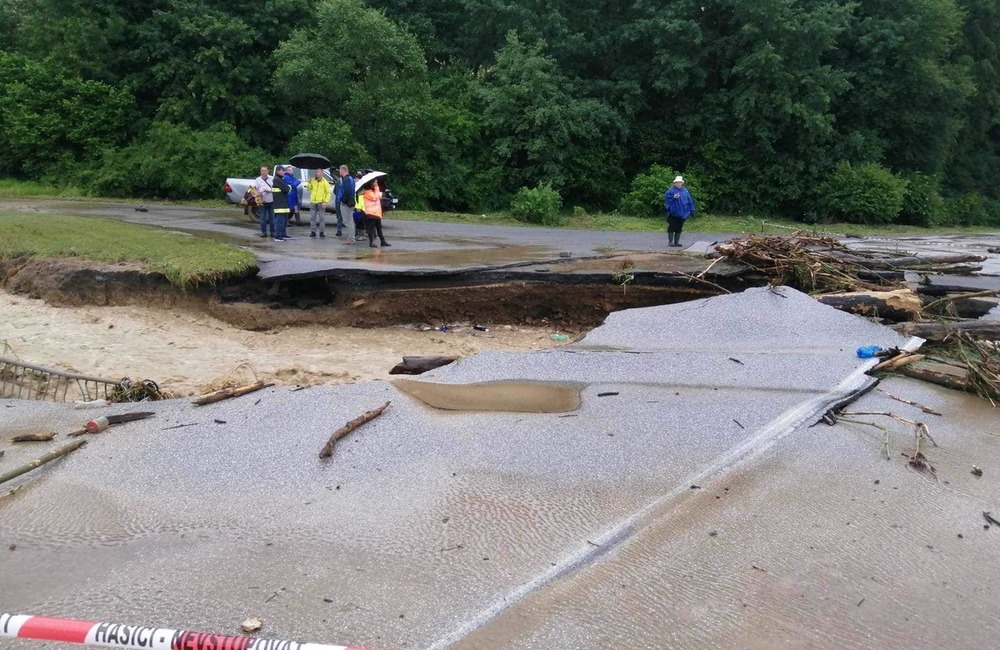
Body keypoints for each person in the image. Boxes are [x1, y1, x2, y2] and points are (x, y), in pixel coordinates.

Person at [664, 175, 696, 247]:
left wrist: (691, 209)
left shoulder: (685, 191)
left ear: (682, 183)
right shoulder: (670, 191)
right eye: (677, 182)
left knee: (679, 227)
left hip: (683, 213)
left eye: (679, 182)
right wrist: (673, 197)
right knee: (671, 226)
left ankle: (676, 242)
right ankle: (670, 242)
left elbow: (689, 200)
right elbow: (667, 199)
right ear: (674, 183)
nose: (678, 184)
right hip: (673, 213)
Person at [362, 179, 390, 248]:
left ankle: (383, 241)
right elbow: (374, 198)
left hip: (376, 213)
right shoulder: (367, 191)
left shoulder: (373, 191)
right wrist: (377, 188)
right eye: (375, 182)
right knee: (371, 228)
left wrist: (377, 190)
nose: (376, 184)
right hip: (371, 213)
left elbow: (378, 196)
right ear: (371, 183)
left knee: (379, 228)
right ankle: (371, 242)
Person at [306, 168, 331, 238]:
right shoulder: (313, 180)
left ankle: (321, 232)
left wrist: (326, 202)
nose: (316, 173)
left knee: (322, 218)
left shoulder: (325, 182)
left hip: (321, 202)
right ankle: (313, 231)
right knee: (312, 217)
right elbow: (308, 189)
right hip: (313, 202)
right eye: (316, 172)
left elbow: (328, 193)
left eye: (318, 172)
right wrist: (309, 183)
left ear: (322, 174)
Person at [251, 166, 275, 238]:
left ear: (268, 171)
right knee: (262, 218)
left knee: (272, 217)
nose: (263, 172)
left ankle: (272, 232)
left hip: (271, 200)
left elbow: (275, 189)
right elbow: (254, 189)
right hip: (262, 201)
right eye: (262, 170)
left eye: (265, 170)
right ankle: (263, 232)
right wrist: (257, 193)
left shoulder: (272, 179)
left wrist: (267, 189)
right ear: (260, 172)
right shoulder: (258, 179)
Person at [336, 165, 356, 244]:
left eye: (340, 170)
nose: (339, 172)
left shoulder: (346, 179)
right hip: (351, 202)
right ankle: (351, 237)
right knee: (350, 220)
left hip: (346, 203)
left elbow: (347, 191)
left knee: (347, 221)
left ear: (343, 170)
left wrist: (343, 200)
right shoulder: (351, 178)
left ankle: (351, 239)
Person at [271, 165, 292, 241]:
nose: (284, 172)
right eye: (282, 170)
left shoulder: (280, 179)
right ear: (278, 171)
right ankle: (278, 236)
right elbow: (286, 189)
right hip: (279, 205)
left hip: (283, 204)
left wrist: (288, 187)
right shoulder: (277, 180)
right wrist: (289, 187)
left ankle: (283, 234)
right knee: (280, 221)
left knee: (284, 221)